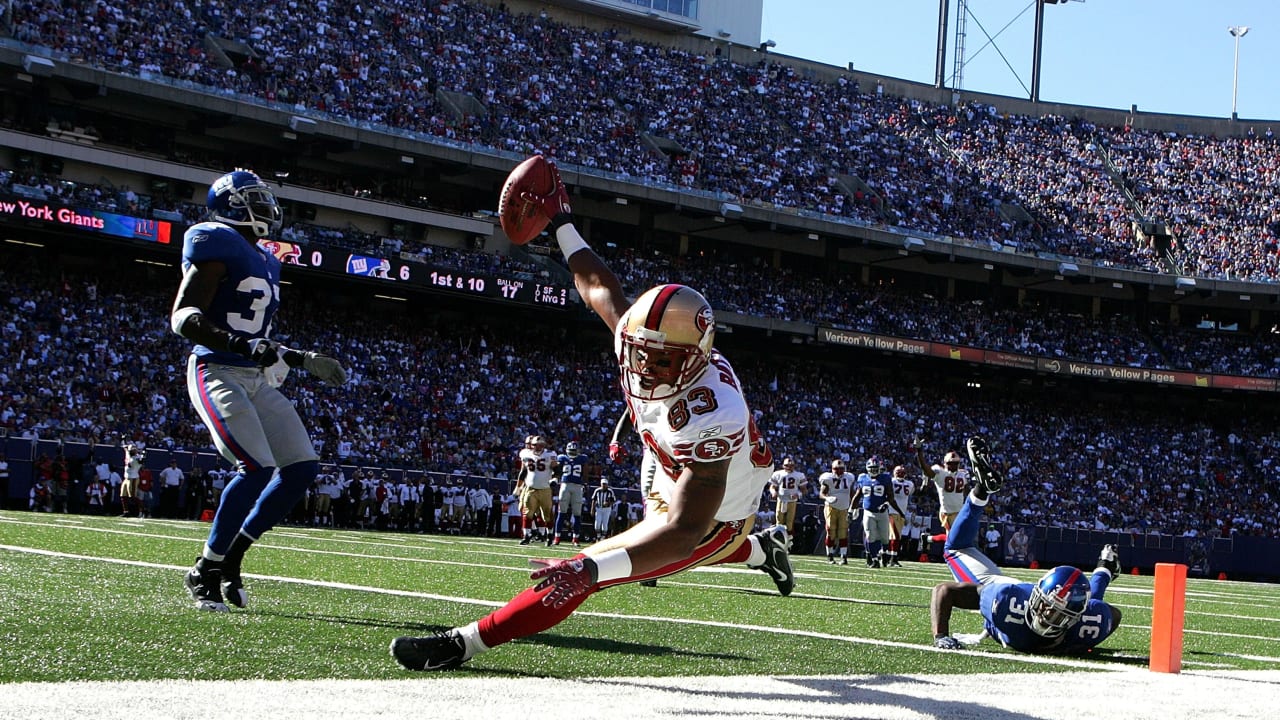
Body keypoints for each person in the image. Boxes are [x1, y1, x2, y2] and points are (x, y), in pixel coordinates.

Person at [391, 158, 794, 671]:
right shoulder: (644, 339)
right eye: (639, 351)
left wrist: (591, 571)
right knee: (625, 559)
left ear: (694, 357)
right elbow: (597, 285)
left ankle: (465, 643)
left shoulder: (714, 412)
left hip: (716, 511)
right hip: (670, 461)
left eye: (661, 359)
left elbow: (686, 529)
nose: (645, 367)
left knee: (591, 568)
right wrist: (561, 223)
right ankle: (766, 551)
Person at [170, 169, 346, 612]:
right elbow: (184, 316)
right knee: (255, 467)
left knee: (301, 468)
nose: (264, 205)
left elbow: (259, 338)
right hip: (216, 370)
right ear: (230, 202)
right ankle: (205, 569)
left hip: (253, 374)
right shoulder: (212, 237)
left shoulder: (268, 258)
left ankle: (233, 555)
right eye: (253, 198)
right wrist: (240, 344)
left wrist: (300, 358)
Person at [931, 436, 1123, 654]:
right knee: (956, 548)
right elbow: (943, 590)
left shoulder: (1085, 622)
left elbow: (1104, 612)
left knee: (1086, 603)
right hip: (1005, 586)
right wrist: (941, 637)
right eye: (1047, 608)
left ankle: (1105, 566)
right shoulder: (1006, 600)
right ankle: (980, 490)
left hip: (1038, 602)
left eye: (1058, 616)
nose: (1046, 616)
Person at [856, 457, 903, 568]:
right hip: (868, 511)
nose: (873, 470)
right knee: (870, 536)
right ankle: (874, 559)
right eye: (871, 468)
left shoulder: (885, 478)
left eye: (875, 468)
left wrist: (887, 505)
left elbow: (890, 497)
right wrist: (851, 510)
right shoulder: (862, 478)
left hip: (882, 513)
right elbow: (857, 495)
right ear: (867, 468)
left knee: (885, 538)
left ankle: (884, 554)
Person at [916, 442, 969, 538]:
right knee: (952, 538)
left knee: (958, 537)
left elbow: (966, 491)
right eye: (950, 463)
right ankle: (934, 543)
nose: (953, 466)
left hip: (959, 511)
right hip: (947, 512)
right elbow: (925, 468)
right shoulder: (940, 473)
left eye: (955, 463)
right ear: (945, 463)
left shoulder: (963, 474)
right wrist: (919, 451)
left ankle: (928, 538)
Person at [516, 436, 557, 545]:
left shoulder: (549, 454)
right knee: (527, 512)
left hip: (545, 489)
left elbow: (556, 469)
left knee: (547, 515)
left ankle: (549, 535)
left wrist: (555, 479)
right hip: (531, 488)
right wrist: (518, 487)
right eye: (534, 445)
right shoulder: (525, 454)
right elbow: (523, 471)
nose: (536, 447)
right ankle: (527, 535)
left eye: (538, 445)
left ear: (543, 446)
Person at [817, 459, 856, 564]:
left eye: (841, 469)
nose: (838, 471)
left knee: (843, 532)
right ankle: (830, 555)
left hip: (845, 507)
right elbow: (821, 493)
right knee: (831, 531)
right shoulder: (827, 478)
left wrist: (854, 507)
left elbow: (852, 493)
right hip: (831, 507)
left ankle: (843, 556)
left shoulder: (849, 477)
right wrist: (827, 498)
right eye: (836, 469)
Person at [551, 442, 590, 546]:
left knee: (577, 514)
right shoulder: (562, 458)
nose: (573, 452)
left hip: (577, 486)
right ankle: (557, 537)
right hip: (565, 485)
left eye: (574, 450)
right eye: (572, 451)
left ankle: (575, 538)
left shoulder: (582, 458)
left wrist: (585, 483)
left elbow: (585, 471)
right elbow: (557, 470)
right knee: (561, 512)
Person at [768, 457, 807, 544]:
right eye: (787, 465)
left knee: (789, 522)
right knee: (779, 521)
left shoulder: (799, 475)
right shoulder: (778, 474)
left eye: (791, 465)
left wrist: (798, 494)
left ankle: (788, 542)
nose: (789, 467)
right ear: (783, 465)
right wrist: (773, 492)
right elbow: (772, 487)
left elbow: (804, 490)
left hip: (792, 501)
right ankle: (778, 540)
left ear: (794, 466)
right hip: (781, 500)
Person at [885, 464, 915, 567]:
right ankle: (892, 558)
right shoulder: (891, 481)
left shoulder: (909, 483)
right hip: (891, 511)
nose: (900, 474)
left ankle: (889, 557)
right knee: (895, 535)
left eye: (902, 472)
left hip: (902, 512)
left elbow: (915, 493)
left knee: (896, 536)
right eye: (899, 472)